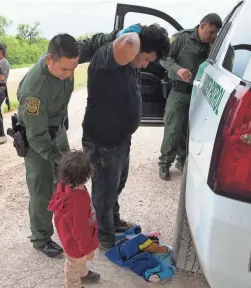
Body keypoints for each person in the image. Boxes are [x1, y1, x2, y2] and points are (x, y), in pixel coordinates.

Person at [16, 28, 128, 258]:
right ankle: (41, 237)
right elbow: (37, 137)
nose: (69, 74)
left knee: (66, 181)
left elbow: (89, 44)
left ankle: (69, 225)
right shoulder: (34, 91)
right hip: (37, 140)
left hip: (57, 131)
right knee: (42, 189)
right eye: (64, 69)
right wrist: (63, 159)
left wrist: (115, 35)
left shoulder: (66, 56)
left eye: (73, 69)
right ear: (49, 60)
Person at [81, 24, 170, 250]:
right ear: (138, 46)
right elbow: (130, 42)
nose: (147, 64)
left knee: (116, 185)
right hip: (103, 140)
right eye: (147, 58)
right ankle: (104, 236)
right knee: (104, 192)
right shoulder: (108, 57)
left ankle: (113, 221)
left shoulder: (131, 61)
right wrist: (137, 33)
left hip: (120, 138)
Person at [158, 13, 222, 180]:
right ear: (202, 26)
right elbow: (163, 57)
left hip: (200, 94)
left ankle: (183, 159)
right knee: (173, 129)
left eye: (216, 33)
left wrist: (214, 48)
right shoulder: (182, 38)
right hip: (179, 92)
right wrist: (177, 69)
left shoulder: (215, 45)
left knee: (190, 129)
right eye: (211, 32)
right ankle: (164, 163)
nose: (213, 36)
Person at [48, 150, 100, 288]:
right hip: (76, 244)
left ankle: (82, 274)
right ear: (85, 176)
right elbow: (80, 230)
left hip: (67, 234)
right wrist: (87, 248)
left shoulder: (64, 183)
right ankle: (73, 285)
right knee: (73, 264)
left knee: (78, 261)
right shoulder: (78, 200)